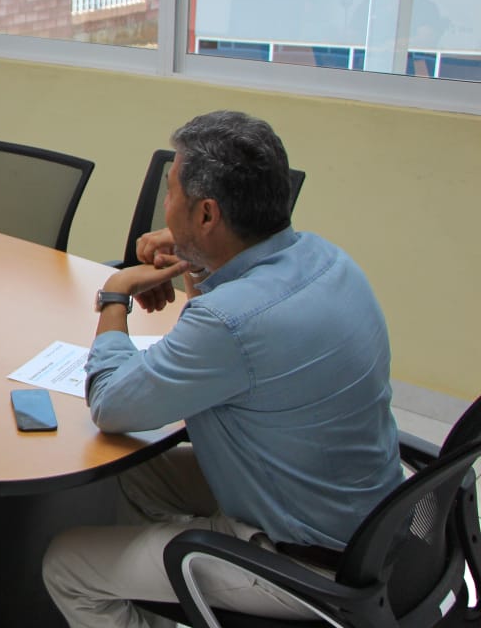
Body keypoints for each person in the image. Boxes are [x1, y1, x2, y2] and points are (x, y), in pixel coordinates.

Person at [42, 110, 402, 627]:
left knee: (67, 565)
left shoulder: (231, 322)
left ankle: (187, 575)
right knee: (138, 471)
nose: (164, 210)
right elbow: (233, 337)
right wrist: (197, 258)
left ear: (207, 214)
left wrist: (114, 294)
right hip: (363, 519)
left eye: (171, 194)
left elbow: (112, 403)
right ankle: (174, 597)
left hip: (304, 562)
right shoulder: (329, 259)